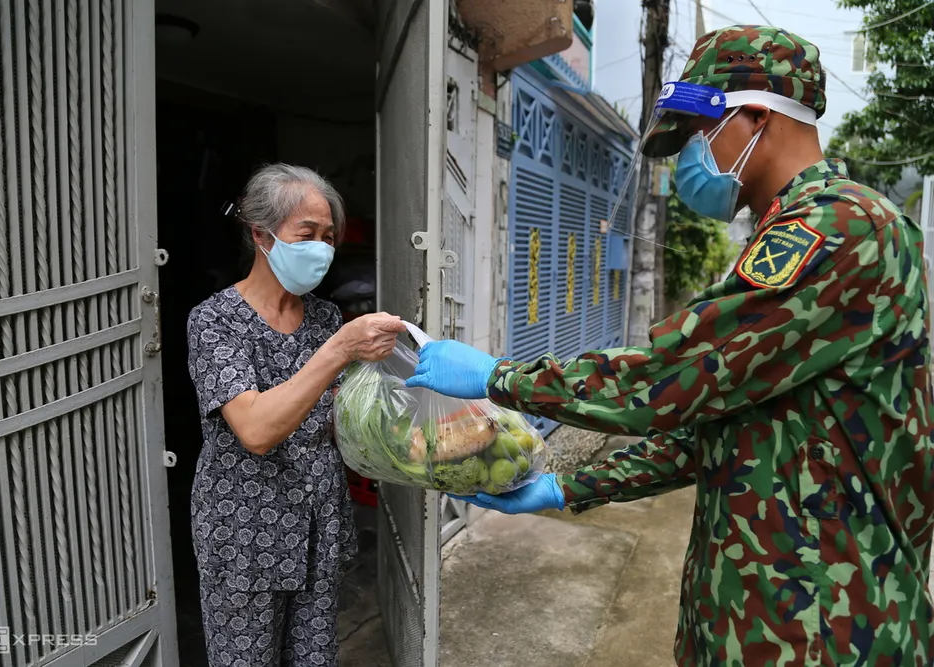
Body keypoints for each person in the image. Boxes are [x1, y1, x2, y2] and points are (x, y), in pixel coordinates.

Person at [406, 25, 934, 666]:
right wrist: (571, 488)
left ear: (754, 118)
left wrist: (501, 378)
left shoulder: (843, 227)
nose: (690, 155)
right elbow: (715, 428)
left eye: (696, 133)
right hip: (759, 616)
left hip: (826, 628)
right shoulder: (797, 230)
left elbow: (671, 376)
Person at [186, 163, 406, 667]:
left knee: (314, 658)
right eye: (307, 234)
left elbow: (334, 419)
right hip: (246, 533)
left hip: (317, 524)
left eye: (329, 237)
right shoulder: (214, 321)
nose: (323, 249)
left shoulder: (325, 316)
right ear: (261, 235)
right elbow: (257, 430)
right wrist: (341, 349)